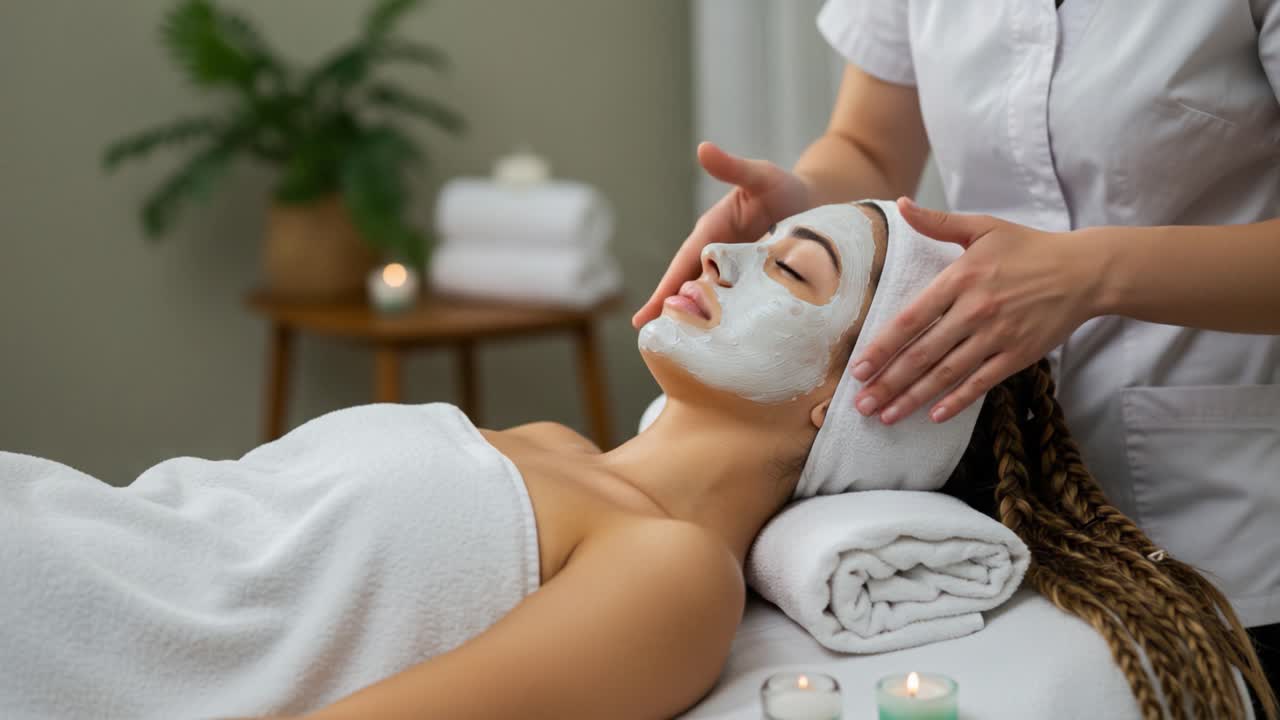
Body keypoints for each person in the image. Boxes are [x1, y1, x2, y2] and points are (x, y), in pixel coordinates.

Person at [3, 203, 1272, 720]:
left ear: (863, 394)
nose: (714, 256)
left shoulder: (670, 577)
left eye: (787, 269)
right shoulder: (553, 446)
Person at [634, 0, 1280, 710]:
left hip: (1229, 507)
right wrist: (807, 201)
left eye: (789, 273)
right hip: (985, 507)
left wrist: (1093, 272)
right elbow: (870, 147)